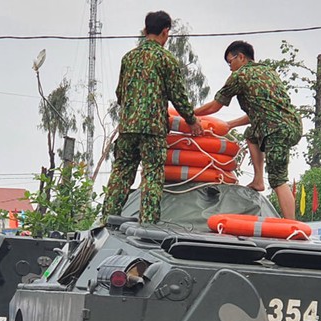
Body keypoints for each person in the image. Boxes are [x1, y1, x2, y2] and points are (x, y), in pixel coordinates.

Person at [101, 10, 203, 225]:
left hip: (127, 128)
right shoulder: (166, 59)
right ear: (166, 32)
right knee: (152, 174)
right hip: (153, 130)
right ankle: (147, 225)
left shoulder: (128, 58)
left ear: (146, 30)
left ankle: (107, 220)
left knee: (121, 172)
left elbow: (120, 93)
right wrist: (192, 120)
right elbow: (178, 95)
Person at [195, 40, 302, 219]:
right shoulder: (268, 71)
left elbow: (215, 106)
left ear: (241, 57)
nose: (230, 68)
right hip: (291, 124)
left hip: (276, 131)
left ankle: (291, 227)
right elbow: (260, 112)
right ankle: (258, 180)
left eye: (230, 62)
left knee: (278, 180)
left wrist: (188, 115)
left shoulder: (240, 76)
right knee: (250, 134)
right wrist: (230, 125)